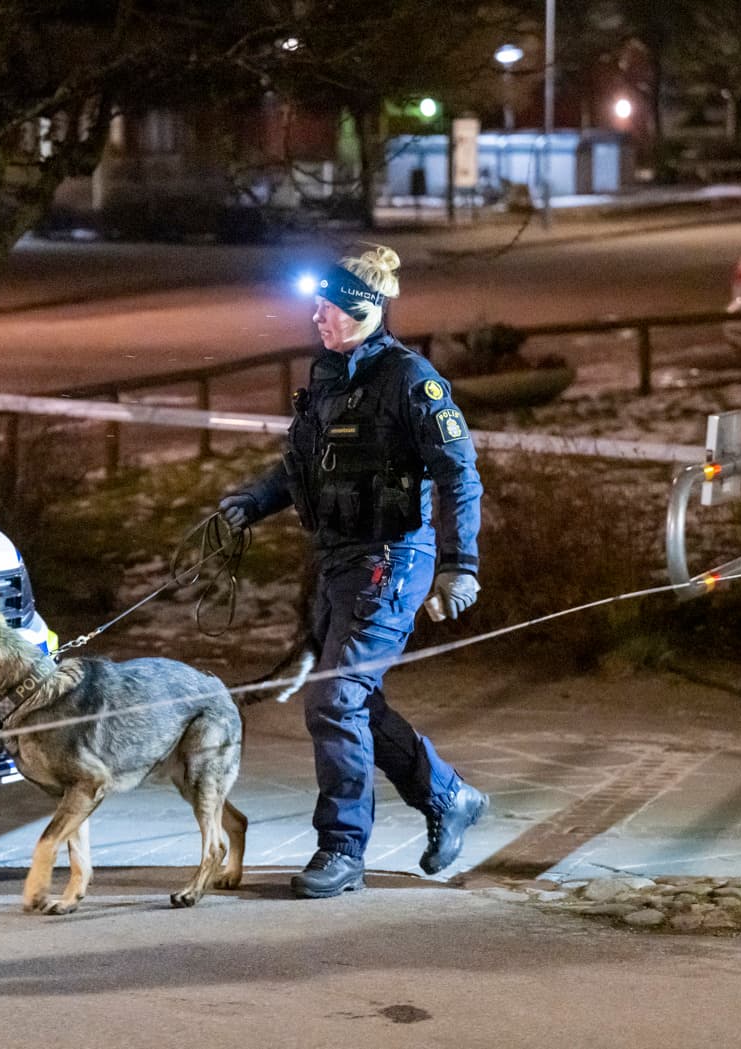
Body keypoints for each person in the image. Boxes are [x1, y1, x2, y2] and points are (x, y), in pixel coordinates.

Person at [218, 245, 488, 900]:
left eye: (328, 306)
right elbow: (301, 469)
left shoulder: (411, 379)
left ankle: (341, 849)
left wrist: (461, 565)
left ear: (365, 308)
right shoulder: (331, 375)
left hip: (391, 563)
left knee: (334, 698)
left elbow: (460, 474)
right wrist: (249, 502)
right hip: (338, 564)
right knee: (356, 699)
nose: (316, 315)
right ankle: (448, 796)